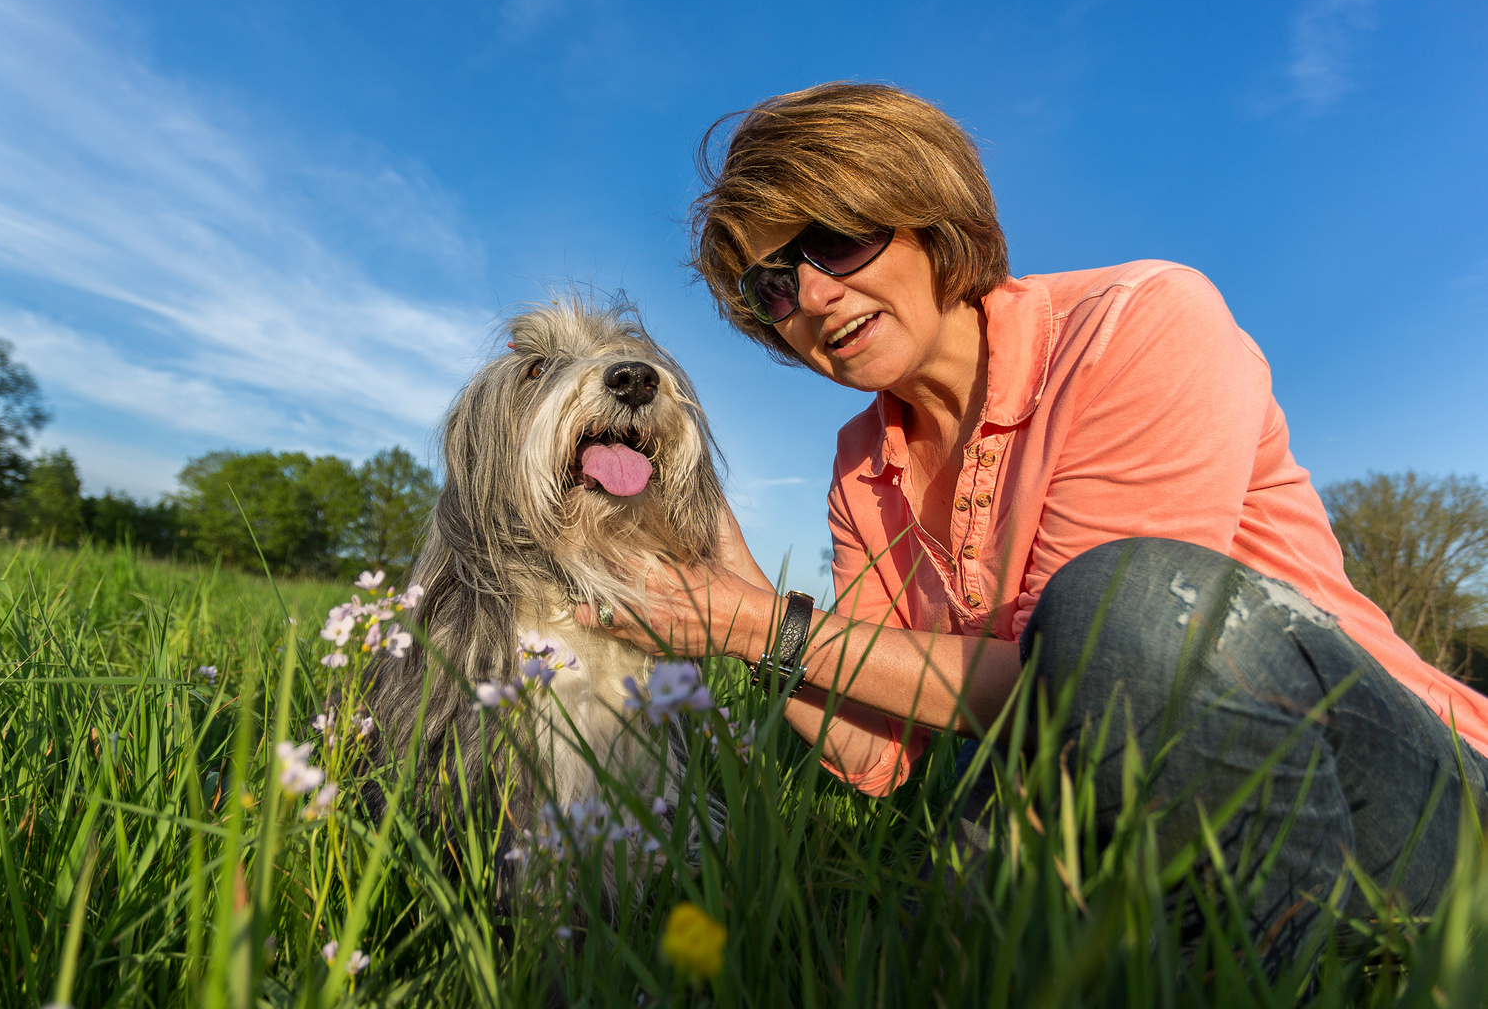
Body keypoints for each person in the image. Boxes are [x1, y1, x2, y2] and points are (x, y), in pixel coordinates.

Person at [575, 81, 1488, 961]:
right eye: (771, 284)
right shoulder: (864, 460)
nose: (810, 298)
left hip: (1412, 784)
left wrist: (758, 625)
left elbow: (1110, 673)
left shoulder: (1139, 323)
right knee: (920, 918)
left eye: (838, 241)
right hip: (1114, 794)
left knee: (1120, 608)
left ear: (933, 216)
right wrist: (727, 574)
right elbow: (875, 753)